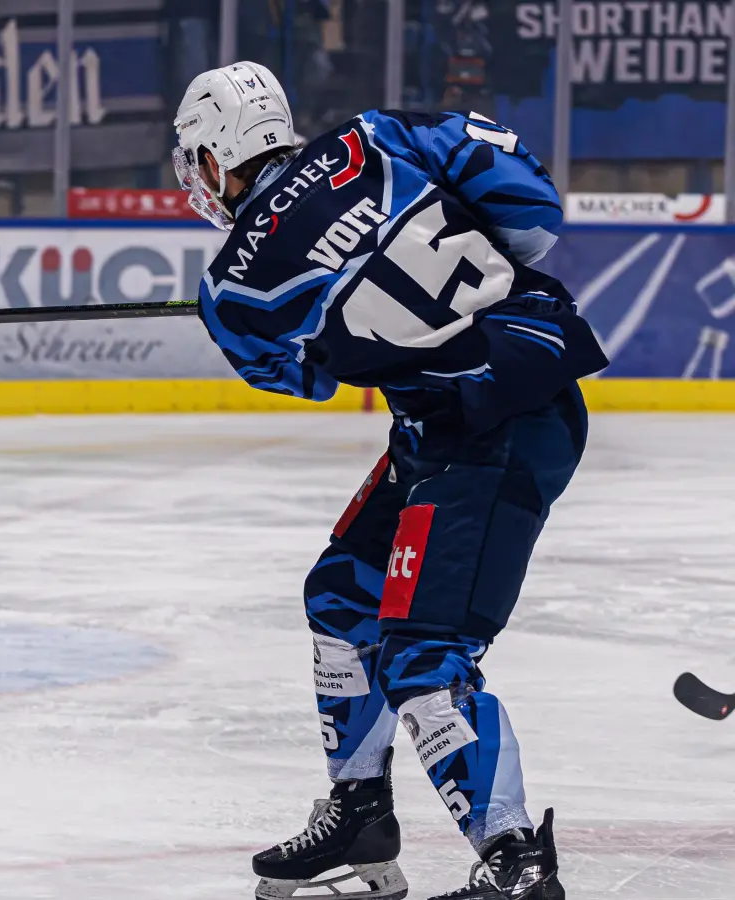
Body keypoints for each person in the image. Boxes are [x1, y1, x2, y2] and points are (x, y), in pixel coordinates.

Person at [173, 62, 606, 899]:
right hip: (489, 403)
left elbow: (299, 379)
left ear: (221, 153)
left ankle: (516, 864)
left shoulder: (232, 291)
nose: (198, 180)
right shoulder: (374, 137)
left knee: (424, 656)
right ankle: (360, 813)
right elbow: (532, 206)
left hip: (487, 438)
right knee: (342, 595)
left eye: (197, 159)